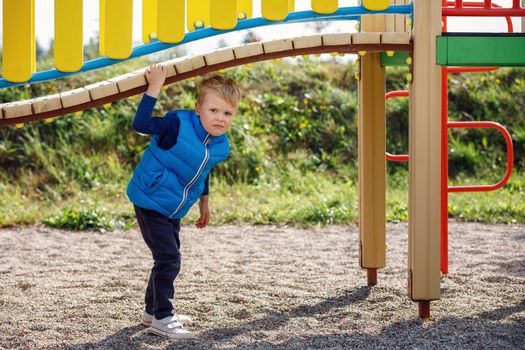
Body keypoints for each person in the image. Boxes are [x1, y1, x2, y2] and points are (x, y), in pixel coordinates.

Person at [126, 64, 240, 339]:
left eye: (228, 113)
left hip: (173, 208)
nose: (220, 118)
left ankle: (152, 312)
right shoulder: (177, 124)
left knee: (166, 258)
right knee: (169, 259)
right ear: (198, 108)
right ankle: (163, 317)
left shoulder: (219, 144)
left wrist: (205, 202)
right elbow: (141, 125)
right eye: (214, 110)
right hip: (150, 199)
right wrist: (155, 85)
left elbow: (203, 171)